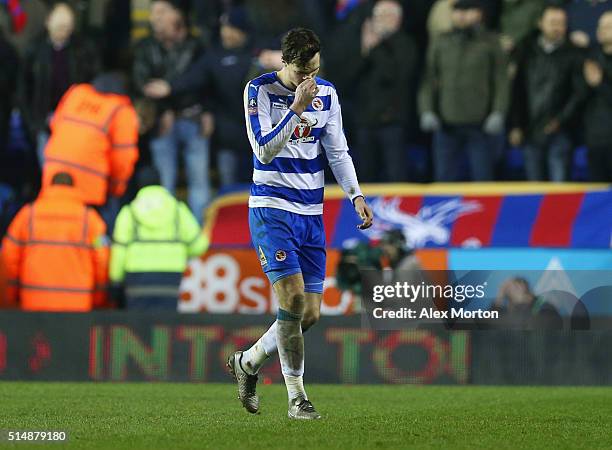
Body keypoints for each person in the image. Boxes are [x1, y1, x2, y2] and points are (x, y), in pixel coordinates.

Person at [226, 28, 373, 420]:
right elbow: (264, 150)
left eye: (315, 70)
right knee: (290, 300)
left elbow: (337, 150)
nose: (309, 79)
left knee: (308, 315)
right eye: (302, 72)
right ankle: (297, 399)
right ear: (284, 62)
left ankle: (248, 362)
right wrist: (295, 107)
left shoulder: (327, 93)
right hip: (272, 209)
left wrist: (356, 194)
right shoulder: (258, 91)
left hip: (312, 214)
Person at [144, 7, 257, 188]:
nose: (224, 33)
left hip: (259, 141)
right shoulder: (214, 56)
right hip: (227, 139)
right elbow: (194, 78)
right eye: (223, 28)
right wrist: (169, 88)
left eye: (230, 28)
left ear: (241, 31)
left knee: (262, 194)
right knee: (229, 191)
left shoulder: (259, 54)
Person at [133, 0, 210, 223]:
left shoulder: (196, 45)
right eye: (152, 13)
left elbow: (205, 80)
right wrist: (164, 109)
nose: (154, 18)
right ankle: (166, 232)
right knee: (164, 184)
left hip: (193, 118)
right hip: (162, 123)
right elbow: (143, 85)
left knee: (199, 183)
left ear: (177, 15)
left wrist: (207, 110)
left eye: (161, 12)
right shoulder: (145, 47)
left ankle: (198, 237)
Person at [419, 0, 509, 181]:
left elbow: (501, 81)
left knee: (483, 180)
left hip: (481, 125)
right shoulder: (440, 42)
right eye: (457, 11)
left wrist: (498, 112)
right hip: (446, 125)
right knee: (444, 181)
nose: (461, 15)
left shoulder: (491, 42)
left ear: (479, 14)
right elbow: (428, 80)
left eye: (467, 10)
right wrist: (426, 110)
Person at [40, 72, 139, 227]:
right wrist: (116, 188)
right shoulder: (121, 110)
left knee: (54, 225)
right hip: (90, 183)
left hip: (54, 174)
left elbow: (55, 126)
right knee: (97, 231)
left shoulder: (75, 94)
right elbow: (123, 157)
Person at [1, 172, 109, 311]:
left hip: (34, 302)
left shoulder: (28, 214)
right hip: (78, 304)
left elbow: (9, 258)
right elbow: (102, 258)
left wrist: (9, 297)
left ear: (48, 186)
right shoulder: (90, 219)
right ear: (74, 188)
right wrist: (99, 297)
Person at [109, 166, 208, 310]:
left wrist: (115, 280)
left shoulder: (128, 212)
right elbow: (199, 245)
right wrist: (180, 253)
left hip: (137, 278)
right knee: (164, 327)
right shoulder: (178, 210)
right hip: (170, 276)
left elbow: (119, 250)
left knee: (138, 327)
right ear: (161, 183)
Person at [509, 5, 584, 182]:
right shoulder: (526, 52)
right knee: (534, 190)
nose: (557, 27)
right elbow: (517, 91)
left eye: (561, 23)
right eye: (553, 22)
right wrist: (516, 125)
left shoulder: (575, 53)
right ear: (540, 23)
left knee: (559, 190)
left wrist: (560, 120)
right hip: (530, 129)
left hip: (561, 131)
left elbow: (579, 93)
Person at [19, 2, 100, 165]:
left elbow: (93, 84)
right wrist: (33, 124)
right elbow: (23, 91)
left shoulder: (82, 49)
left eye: (67, 27)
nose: (63, 31)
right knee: (49, 168)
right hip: (44, 122)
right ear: (48, 22)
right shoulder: (34, 50)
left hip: (76, 121)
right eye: (60, 26)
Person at [355, 0, 418, 182]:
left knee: (395, 174)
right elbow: (349, 77)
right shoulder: (364, 45)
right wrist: (365, 50)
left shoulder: (405, 44)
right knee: (366, 174)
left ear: (396, 19)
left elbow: (393, 76)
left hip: (392, 120)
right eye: (376, 17)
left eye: (383, 17)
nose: (377, 22)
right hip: (366, 120)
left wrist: (373, 49)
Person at [582, 11, 612, 182]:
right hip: (595, 137)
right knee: (598, 193)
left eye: (608, 27)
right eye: (600, 26)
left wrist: (600, 84)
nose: (601, 30)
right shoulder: (590, 57)